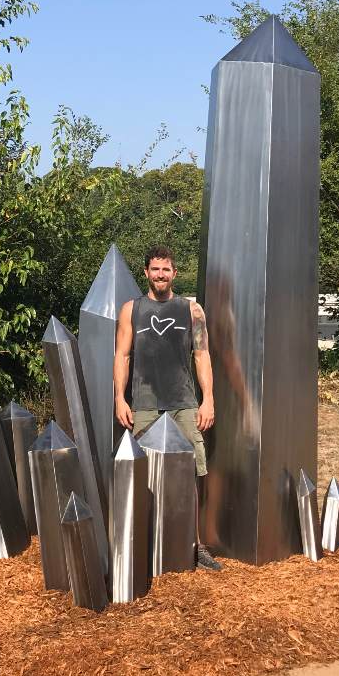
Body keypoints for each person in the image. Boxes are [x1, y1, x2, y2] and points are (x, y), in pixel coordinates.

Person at [113, 244, 222, 570]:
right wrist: (120, 397)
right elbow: (123, 356)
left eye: (166, 269)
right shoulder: (132, 309)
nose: (160, 275)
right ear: (145, 272)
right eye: (155, 269)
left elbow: (201, 355)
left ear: (174, 273)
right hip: (145, 405)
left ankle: (195, 545)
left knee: (191, 472)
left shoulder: (191, 310)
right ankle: (144, 543)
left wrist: (208, 398)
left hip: (183, 404)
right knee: (144, 473)